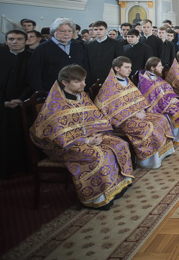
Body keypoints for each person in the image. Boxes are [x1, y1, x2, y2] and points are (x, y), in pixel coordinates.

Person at [30, 65, 133, 210]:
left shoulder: (82, 96)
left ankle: (118, 187)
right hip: (63, 147)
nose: (83, 84)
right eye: (78, 82)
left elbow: (94, 118)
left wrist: (97, 134)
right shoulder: (55, 104)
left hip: (88, 138)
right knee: (98, 154)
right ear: (65, 83)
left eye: (83, 80)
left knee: (119, 143)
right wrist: (86, 141)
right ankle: (98, 198)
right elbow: (58, 135)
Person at [95, 57, 175, 169]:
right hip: (122, 121)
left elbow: (138, 98)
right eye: (126, 67)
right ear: (117, 68)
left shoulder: (127, 81)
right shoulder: (109, 86)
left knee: (161, 119)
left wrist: (141, 110)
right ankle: (148, 161)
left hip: (136, 114)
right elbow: (110, 111)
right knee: (147, 127)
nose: (130, 70)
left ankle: (161, 154)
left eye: (130, 67)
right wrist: (135, 115)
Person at [0, 30, 32, 180]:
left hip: (25, 104)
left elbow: (32, 80)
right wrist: (3, 102)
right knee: (3, 138)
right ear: (6, 41)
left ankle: (26, 167)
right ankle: (5, 169)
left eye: (19, 39)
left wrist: (21, 99)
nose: (15, 42)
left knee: (25, 136)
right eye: (11, 39)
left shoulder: (32, 56)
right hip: (1, 105)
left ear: (25, 41)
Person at [138, 57, 179, 145]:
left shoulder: (155, 76)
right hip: (158, 107)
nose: (162, 68)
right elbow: (152, 98)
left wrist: (172, 97)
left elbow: (166, 87)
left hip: (166, 101)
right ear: (152, 68)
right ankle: (178, 137)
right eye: (159, 66)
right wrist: (169, 101)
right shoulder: (145, 81)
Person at [29, 18, 88, 92]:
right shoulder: (42, 49)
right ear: (53, 32)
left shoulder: (78, 46)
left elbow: (85, 67)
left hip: (76, 92)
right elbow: (34, 74)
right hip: (51, 92)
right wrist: (40, 93)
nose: (66, 34)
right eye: (62, 31)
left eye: (69, 31)